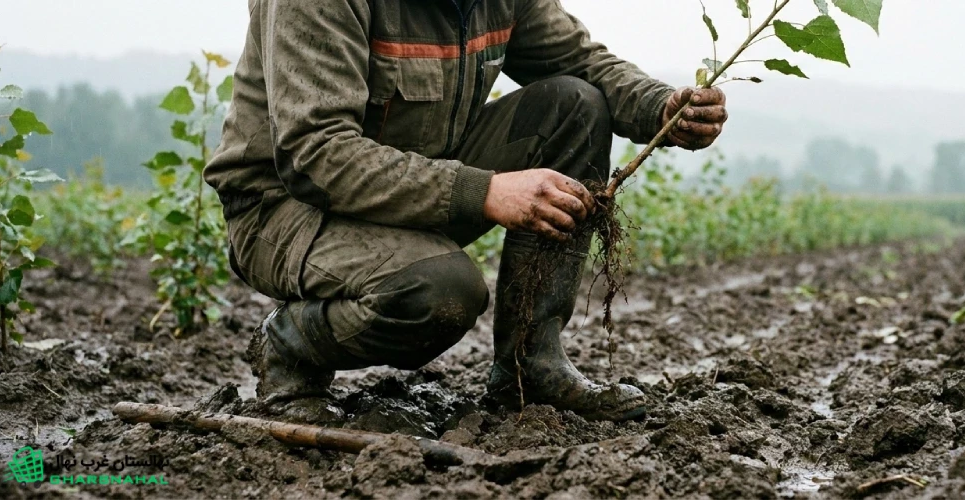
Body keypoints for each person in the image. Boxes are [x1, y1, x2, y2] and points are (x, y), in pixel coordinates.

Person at [204, 0, 728, 424]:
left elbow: (582, 62)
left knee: (575, 106)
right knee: (442, 293)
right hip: (284, 207)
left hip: (417, 183)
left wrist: (659, 105)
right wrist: (486, 191)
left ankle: (529, 368)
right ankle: (289, 345)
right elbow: (317, 153)